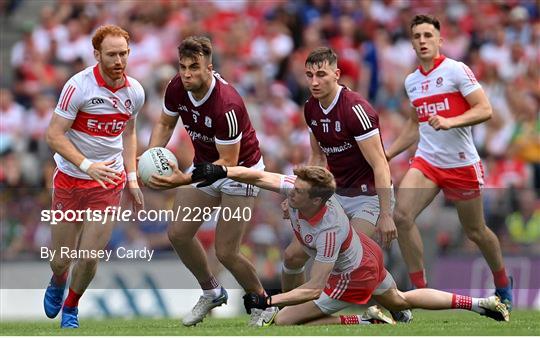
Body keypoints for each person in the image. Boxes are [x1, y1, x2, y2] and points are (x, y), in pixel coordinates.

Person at [192, 163, 509, 326]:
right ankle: (481, 304)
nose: (291, 194)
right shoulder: (304, 195)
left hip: (353, 275)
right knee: (399, 300)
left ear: (316, 199)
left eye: (298, 193)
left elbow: (315, 288)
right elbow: (260, 178)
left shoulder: (329, 229)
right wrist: (222, 171)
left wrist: (270, 302)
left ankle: (364, 318)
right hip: (364, 254)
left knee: (285, 320)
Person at [385, 14, 513, 309]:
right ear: (412, 43)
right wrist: (389, 153)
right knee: (402, 216)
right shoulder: (412, 81)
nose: (422, 41)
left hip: (460, 164)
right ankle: (419, 293)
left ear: (439, 40)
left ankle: (503, 283)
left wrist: (450, 120)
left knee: (475, 231)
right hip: (427, 162)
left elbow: (485, 109)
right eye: (417, 36)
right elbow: (414, 123)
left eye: (428, 36)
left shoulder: (456, 70)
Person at [281, 47, 409, 322]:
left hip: (368, 196)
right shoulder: (311, 108)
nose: (314, 82)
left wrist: (386, 214)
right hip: (335, 196)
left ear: (337, 74)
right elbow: (317, 157)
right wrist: (299, 196)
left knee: (347, 260)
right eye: (309, 75)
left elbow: (380, 164)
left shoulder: (355, 109)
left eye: (321, 75)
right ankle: (288, 316)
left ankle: (396, 304)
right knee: (292, 256)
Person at [146, 36, 266, 326]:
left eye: (194, 67)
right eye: (183, 66)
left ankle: (263, 301)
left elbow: (227, 163)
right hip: (204, 165)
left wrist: (180, 180)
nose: (187, 74)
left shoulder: (227, 105)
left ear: (209, 68)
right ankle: (212, 291)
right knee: (178, 233)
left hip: (240, 172)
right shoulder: (177, 86)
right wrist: (151, 158)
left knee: (226, 251)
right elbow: (164, 123)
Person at [44, 25, 145, 328]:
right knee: (62, 257)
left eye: (123, 53)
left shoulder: (135, 92)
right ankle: (57, 279)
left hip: (108, 181)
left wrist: (132, 176)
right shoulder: (79, 86)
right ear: (97, 54)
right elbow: (53, 135)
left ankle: (71, 308)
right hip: (71, 177)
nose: (119, 60)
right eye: (112, 54)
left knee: (88, 256)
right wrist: (87, 165)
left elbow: (129, 134)